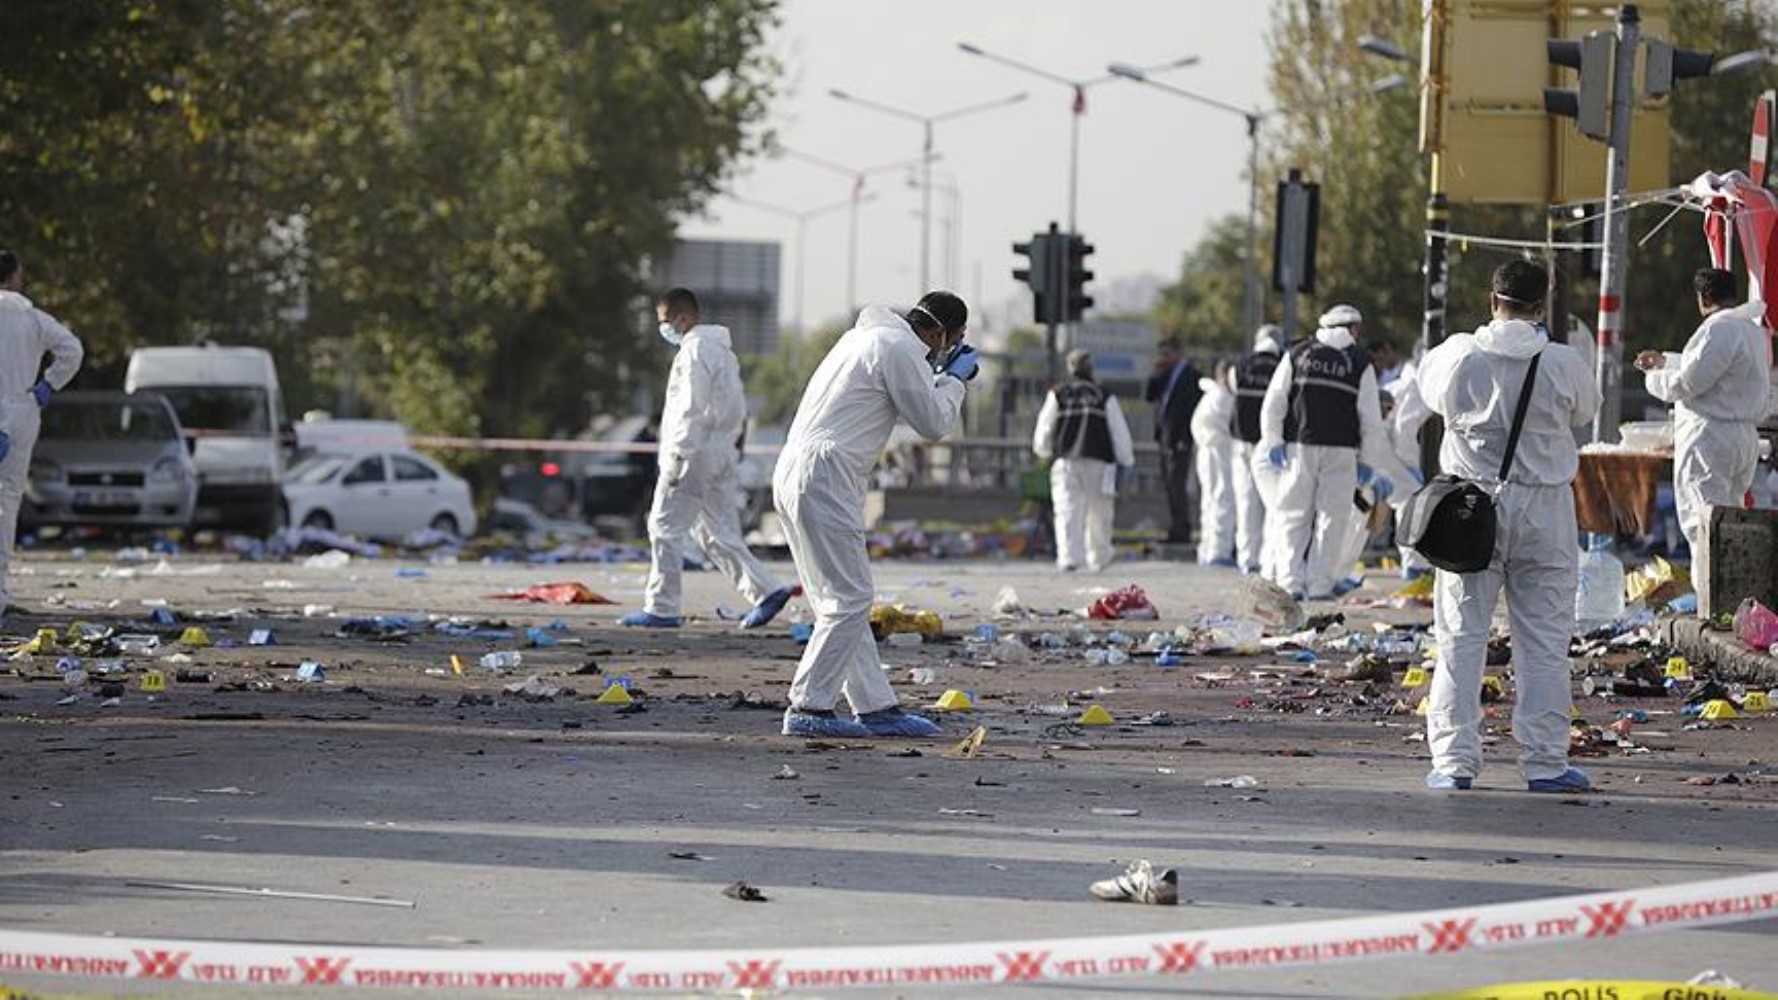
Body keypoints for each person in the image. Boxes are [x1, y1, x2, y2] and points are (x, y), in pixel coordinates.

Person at [1418, 259, 1600, 792]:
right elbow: (1585, 411)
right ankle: (1545, 763)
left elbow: (1428, 396)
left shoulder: (1456, 356)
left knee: (1460, 637)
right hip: (1545, 510)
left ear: (1490, 299)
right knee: (1544, 642)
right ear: (1542, 305)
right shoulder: (1564, 362)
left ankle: (1453, 763)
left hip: (1471, 511)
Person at [773, 292, 978, 739]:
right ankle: (808, 705)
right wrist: (956, 381)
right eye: (952, 341)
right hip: (826, 474)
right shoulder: (899, 347)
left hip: (796, 471)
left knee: (838, 601)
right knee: (849, 600)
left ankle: (875, 706)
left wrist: (937, 376)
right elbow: (932, 423)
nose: (944, 352)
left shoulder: (863, 339)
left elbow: (910, 392)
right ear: (941, 333)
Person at [620, 288, 793, 630]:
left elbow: (690, 408)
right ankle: (767, 591)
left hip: (694, 454)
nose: (663, 329)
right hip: (721, 452)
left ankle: (662, 607)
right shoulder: (723, 353)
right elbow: (738, 406)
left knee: (664, 526)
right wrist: (735, 444)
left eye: (664, 321)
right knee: (716, 533)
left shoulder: (694, 351)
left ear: (682, 318)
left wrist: (678, 456)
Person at [1635, 268, 1771, 591]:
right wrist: (1665, 361)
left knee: (1703, 525)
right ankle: (1733, 598)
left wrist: (1653, 378)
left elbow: (1689, 382)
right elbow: (1710, 367)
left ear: (1703, 298)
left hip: (1711, 440)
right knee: (1731, 524)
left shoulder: (1718, 330)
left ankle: (1711, 606)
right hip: (1741, 438)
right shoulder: (1750, 331)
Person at [1258, 304, 1388, 599]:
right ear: (1353, 329)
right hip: (1341, 452)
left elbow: (1275, 400)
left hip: (1298, 447)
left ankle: (1290, 583)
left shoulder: (1298, 353)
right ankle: (1319, 587)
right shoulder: (1359, 362)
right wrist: (1369, 462)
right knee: (1332, 520)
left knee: (1292, 517)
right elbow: (1370, 418)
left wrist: (1273, 441)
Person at [0, 251, 84, 620]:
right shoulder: (32, 318)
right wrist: (48, 385)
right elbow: (72, 350)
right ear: (15, 277)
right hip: (21, 410)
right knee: (7, 501)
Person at [1033, 349, 1135, 573]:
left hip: (1067, 461)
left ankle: (1070, 558)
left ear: (1070, 369)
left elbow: (1044, 430)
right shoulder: (1103, 395)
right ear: (1091, 369)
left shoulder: (1059, 394)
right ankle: (1098, 558)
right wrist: (1125, 459)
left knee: (1067, 510)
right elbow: (1119, 432)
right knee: (1099, 512)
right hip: (1100, 462)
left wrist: (1044, 451)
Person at [1230, 326, 1284, 575]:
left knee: (1245, 502)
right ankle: (1267, 558)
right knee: (1271, 505)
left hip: (1241, 442)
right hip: (1270, 445)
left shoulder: (1240, 365)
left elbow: (1232, 390)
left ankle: (1246, 558)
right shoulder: (1282, 365)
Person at [1144, 337, 1202, 547]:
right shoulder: (1165, 374)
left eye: (1167, 354)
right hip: (1164, 438)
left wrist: (1187, 437)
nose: (1164, 358)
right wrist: (1155, 373)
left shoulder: (1192, 376)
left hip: (1180, 439)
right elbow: (1149, 396)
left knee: (1178, 485)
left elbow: (1193, 409)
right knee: (1169, 485)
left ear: (1179, 353)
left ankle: (1182, 529)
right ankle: (1175, 526)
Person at [1190, 360, 1237, 566]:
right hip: (1220, 452)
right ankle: (1219, 551)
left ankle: (1207, 549)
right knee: (1223, 499)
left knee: (1210, 501)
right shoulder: (1223, 398)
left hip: (1207, 452)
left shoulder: (1209, 397)